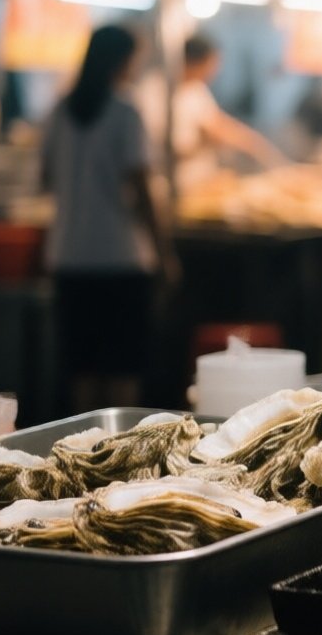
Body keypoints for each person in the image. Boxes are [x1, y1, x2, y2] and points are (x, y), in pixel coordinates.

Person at [42, 26, 174, 413]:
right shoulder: (125, 112)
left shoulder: (60, 110)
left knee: (81, 365)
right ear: (120, 60)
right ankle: (119, 457)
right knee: (122, 366)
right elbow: (142, 188)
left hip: (69, 256)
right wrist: (165, 254)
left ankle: (82, 453)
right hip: (121, 257)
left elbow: (45, 178)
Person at [172, 33, 285, 189]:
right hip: (182, 184)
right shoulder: (168, 95)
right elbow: (166, 152)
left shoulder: (197, 90)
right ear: (199, 62)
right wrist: (205, 143)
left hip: (203, 180)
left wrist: (260, 147)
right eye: (213, 64)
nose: (215, 70)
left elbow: (219, 123)